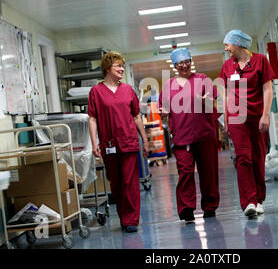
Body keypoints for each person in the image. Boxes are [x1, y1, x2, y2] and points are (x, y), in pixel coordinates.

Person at [88, 51, 149, 233]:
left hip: (129, 142)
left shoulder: (128, 90)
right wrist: (94, 143)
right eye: (118, 66)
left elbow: (137, 116)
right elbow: (92, 118)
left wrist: (144, 139)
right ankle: (124, 215)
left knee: (130, 181)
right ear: (107, 68)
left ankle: (131, 219)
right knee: (116, 182)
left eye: (123, 65)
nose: (122, 69)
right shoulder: (96, 92)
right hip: (109, 144)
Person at [158, 48, 220, 222]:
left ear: (191, 62)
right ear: (175, 65)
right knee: (185, 172)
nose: (184, 65)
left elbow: (214, 102)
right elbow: (163, 107)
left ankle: (210, 206)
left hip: (205, 134)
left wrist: (206, 101)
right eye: (180, 63)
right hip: (182, 136)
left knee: (208, 172)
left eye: (187, 61)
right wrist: (163, 112)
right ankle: (186, 208)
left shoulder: (203, 80)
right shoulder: (169, 86)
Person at [219, 29, 275, 218]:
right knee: (243, 157)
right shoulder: (227, 66)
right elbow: (226, 93)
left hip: (258, 116)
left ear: (238, 44)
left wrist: (266, 115)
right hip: (236, 118)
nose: (226, 48)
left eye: (228, 44)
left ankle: (259, 199)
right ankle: (248, 201)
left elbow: (268, 89)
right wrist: (226, 118)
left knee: (258, 156)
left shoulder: (260, 61)